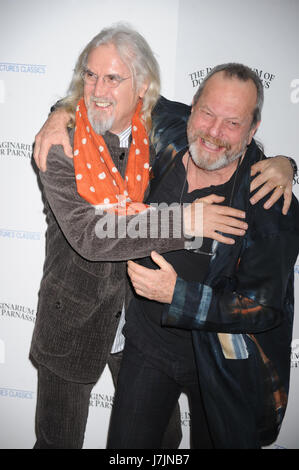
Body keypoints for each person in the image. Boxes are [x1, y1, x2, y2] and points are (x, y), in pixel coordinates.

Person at [31, 24, 295, 449]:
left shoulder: (160, 134)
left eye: (113, 77)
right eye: (91, 75)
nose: (97, 88)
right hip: (78, 325)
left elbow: (224, 132)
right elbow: (89, 235)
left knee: (164, 445)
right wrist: (185, 220)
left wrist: (286, 162)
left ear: (144, 88)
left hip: (170, 343)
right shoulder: (64, 144)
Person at [107, 63, 299, 449]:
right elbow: (102, 97)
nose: (213, 132)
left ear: (252, 129)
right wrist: (58, 117)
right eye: (208, 113)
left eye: (232, 123)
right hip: (146, 344)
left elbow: (263, 307)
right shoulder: (169, 131)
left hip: (218, 361)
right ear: (191, 108)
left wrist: (177, 295)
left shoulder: (271, 205)